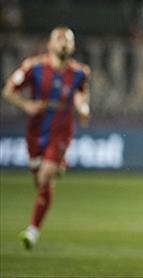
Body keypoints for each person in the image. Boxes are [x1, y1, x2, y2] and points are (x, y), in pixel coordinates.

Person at [2, 27, 91, 250]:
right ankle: (59, 164)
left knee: (45, 176)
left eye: (68, 40)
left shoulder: (80, 73)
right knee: (41, 182)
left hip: (61, 132)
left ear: (73, 46)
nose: (64, 43)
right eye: (59, 39)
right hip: (35, 133)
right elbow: (8, 90)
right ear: (50, 44)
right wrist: (27, 105)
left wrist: (83, 108)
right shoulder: (33, 67)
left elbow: (81, 94)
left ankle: (32, 231)